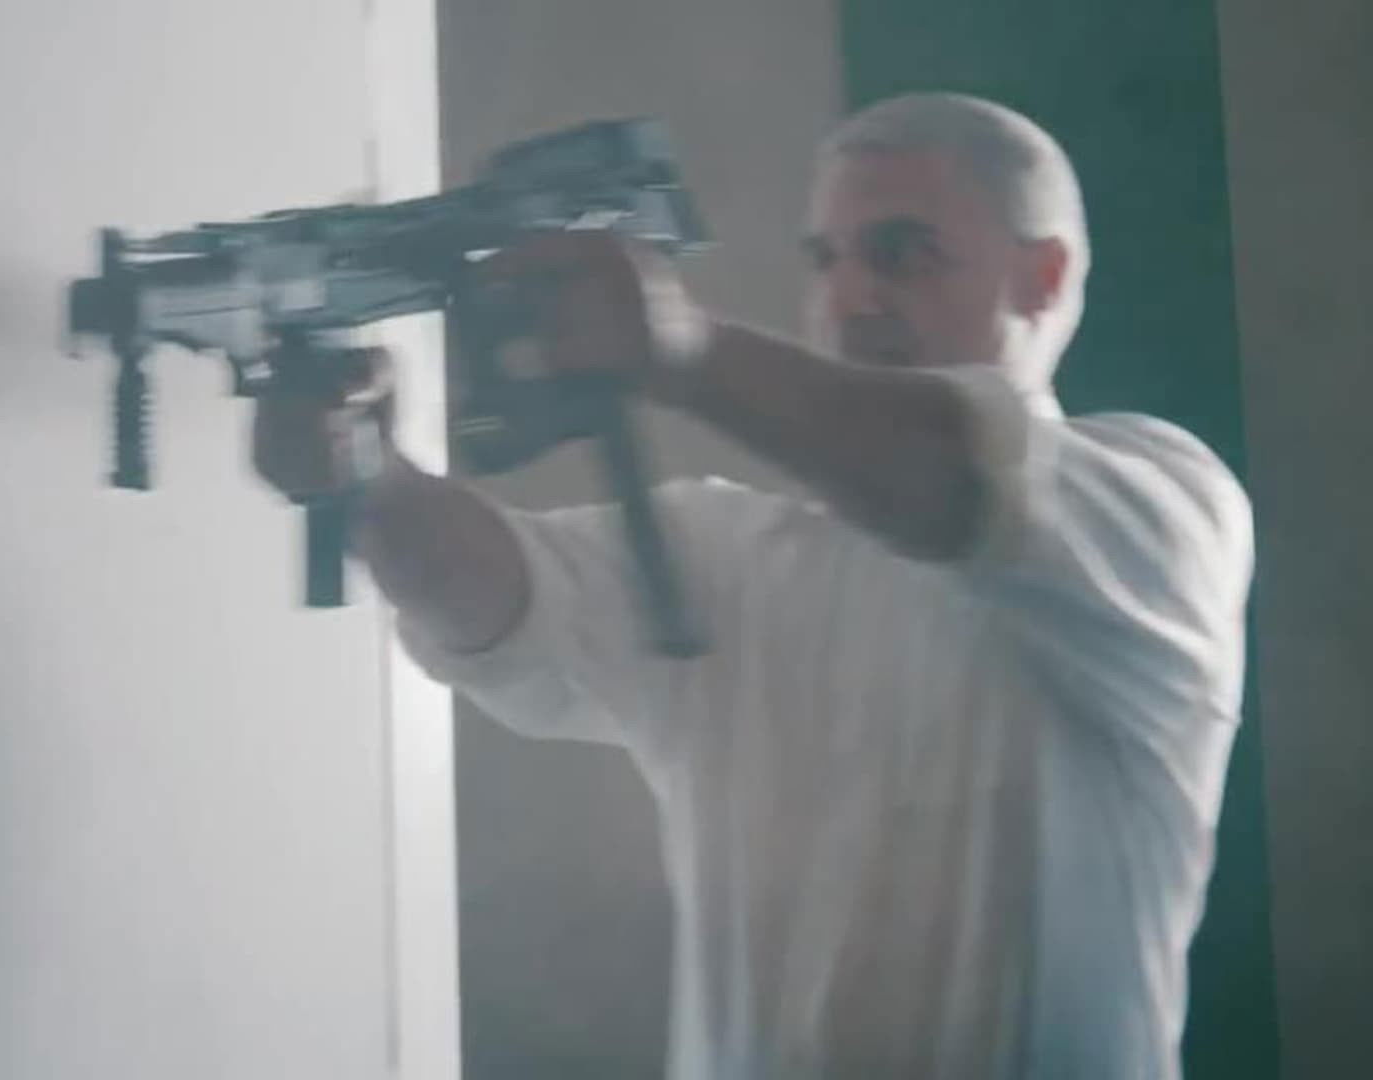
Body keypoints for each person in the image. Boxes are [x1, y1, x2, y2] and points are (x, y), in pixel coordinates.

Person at [253, 92, 1253, 1079]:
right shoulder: (730, 559)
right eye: (828, 259)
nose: (851, 296)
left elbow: (959, 478)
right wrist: (366, 478)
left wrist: (686, 350)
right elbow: (496, 598)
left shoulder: (1160, 509)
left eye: (902, 253)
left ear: (1043, 277)